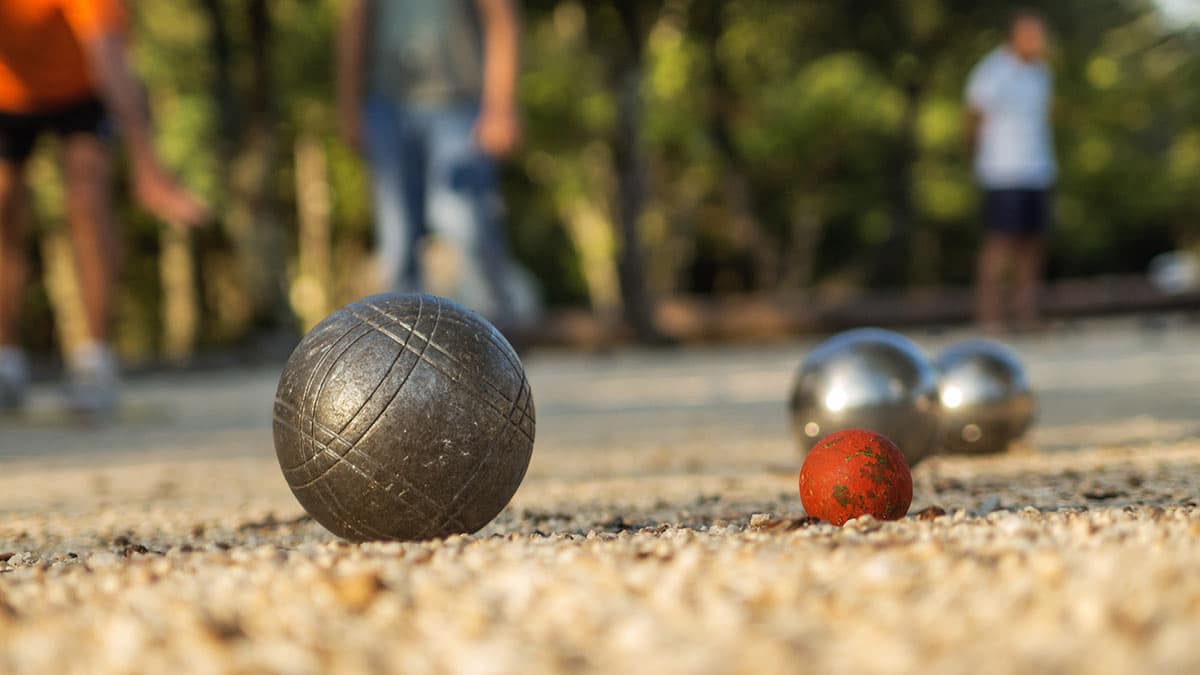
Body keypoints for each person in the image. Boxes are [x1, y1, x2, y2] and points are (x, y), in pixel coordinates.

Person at [0, 0, 209, 415]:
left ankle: (95, 361)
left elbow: (109, 57)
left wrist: (146, 165)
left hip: (82, 88)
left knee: (88, 196)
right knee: (3, 203)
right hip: (6, 94)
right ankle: (5, 362)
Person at [337, 0, 533, 330]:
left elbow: (501, 18)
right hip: (388, 106)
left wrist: (501, 107)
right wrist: (349, 109)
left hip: (457, 105)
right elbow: (353, 24)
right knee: (397, 240)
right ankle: (402, 349)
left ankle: (500, 338)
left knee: (466, 226)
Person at [965, 11, 1056, 333]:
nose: (1038, 42)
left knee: (1032, 246)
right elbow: (973, 118)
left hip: (1037, 170)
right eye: (1031, 35)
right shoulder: (992, 72)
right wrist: (975, 159)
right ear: (1014, 36)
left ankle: (1026, 315)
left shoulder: (1041, 73)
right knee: (999, 245)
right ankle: (989, 318)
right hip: (1002, 171)